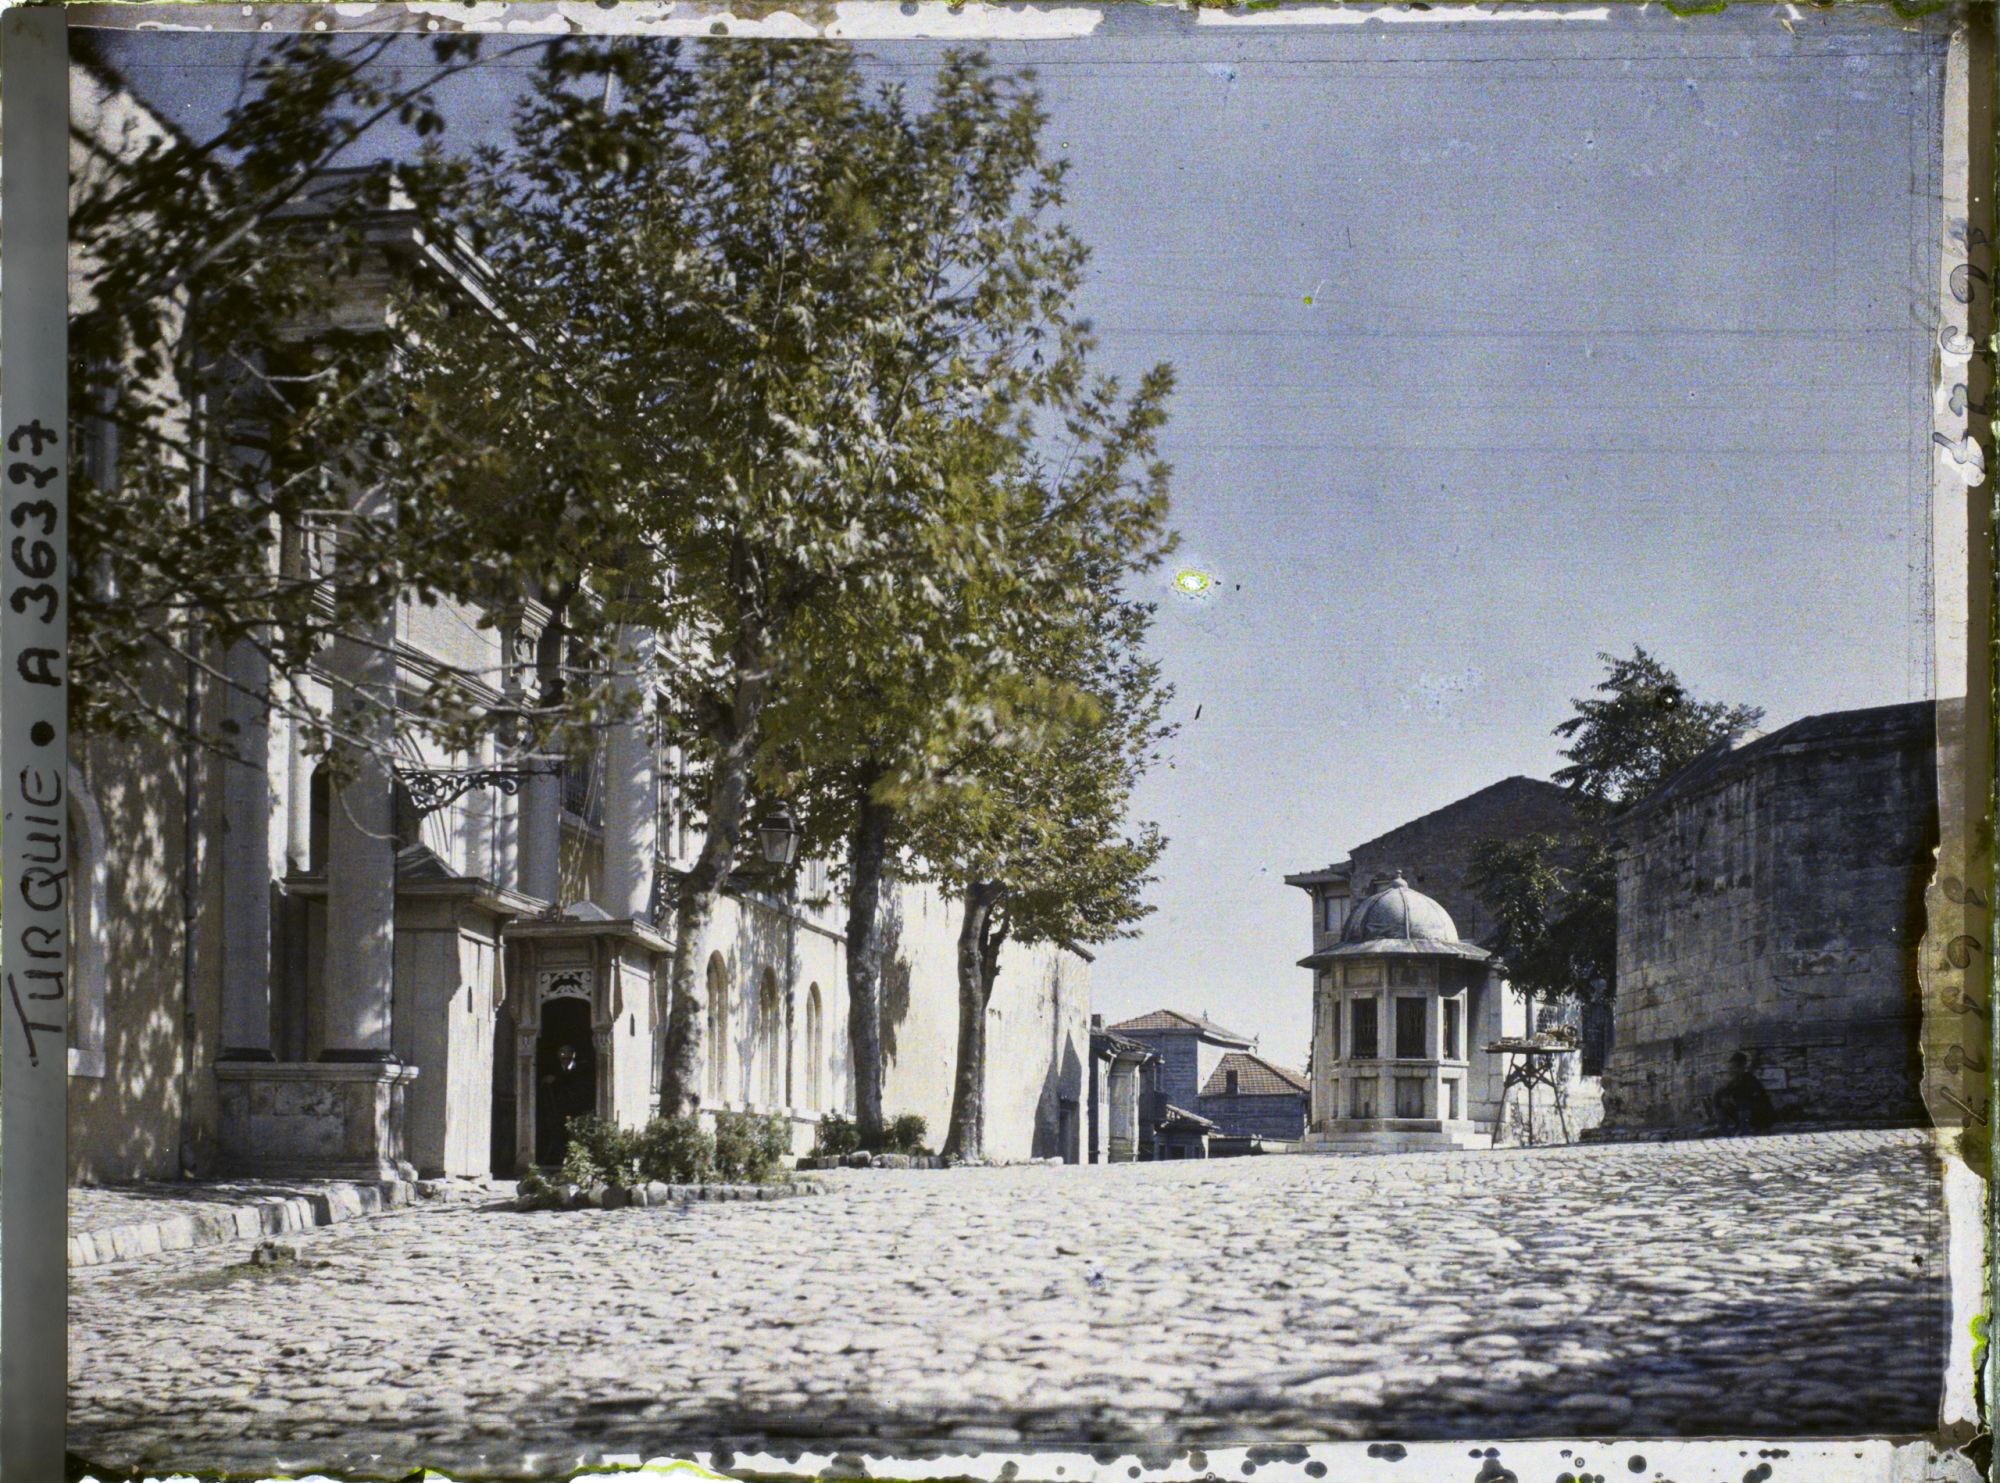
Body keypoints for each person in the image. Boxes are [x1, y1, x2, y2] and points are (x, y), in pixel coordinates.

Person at [1711, 1051, 1777, 1134]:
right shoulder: (1734, 1081)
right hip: (1746, 1111)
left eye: (1733, 1068)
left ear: (1741, 1068)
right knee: (1720, 1100)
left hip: (1760, 1115)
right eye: (1730, 1068)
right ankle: (1723, 1130)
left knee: (1741, 1101)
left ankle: (1744, 1130)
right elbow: (1720, 1092)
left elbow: (1746, 1097)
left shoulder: (1749, 1080)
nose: (1731, 1071)